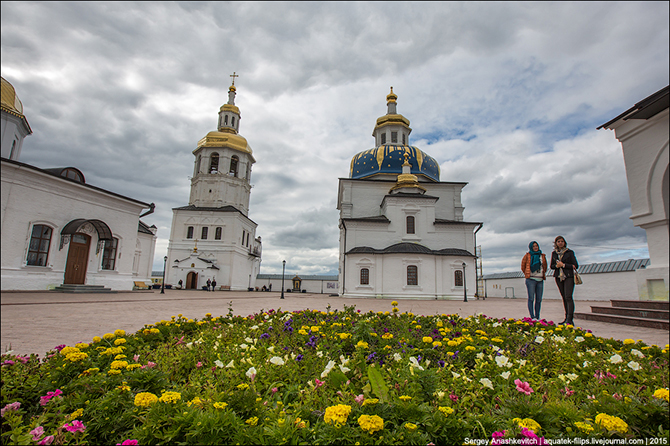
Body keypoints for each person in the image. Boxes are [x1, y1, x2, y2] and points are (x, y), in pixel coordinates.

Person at [550, 236, 579, 325]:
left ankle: (570, 319)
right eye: (558, 241)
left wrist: (564, 265)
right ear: (556, 243)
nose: (560, 243)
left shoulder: (569, 252)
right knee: (564, 297)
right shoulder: (554, 253)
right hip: (559, 277)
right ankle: (566, 318)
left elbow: (575, 265)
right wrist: (557, 266)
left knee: (568, 297)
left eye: (562, 241)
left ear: (564, 242)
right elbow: (552, 266)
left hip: (568, 276)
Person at [521, 241, 547, 320]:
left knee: (539, 299)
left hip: (540, 279)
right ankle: (532, 316)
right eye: (534, 246)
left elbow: (545, 266)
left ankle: (537, 316)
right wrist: (528, 274)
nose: (536, 247)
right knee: (531, 298)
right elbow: (523, 266)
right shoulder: (527, 256)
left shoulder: (542, 256)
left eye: (537, 246)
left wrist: (541, 274)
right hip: (531, 279)